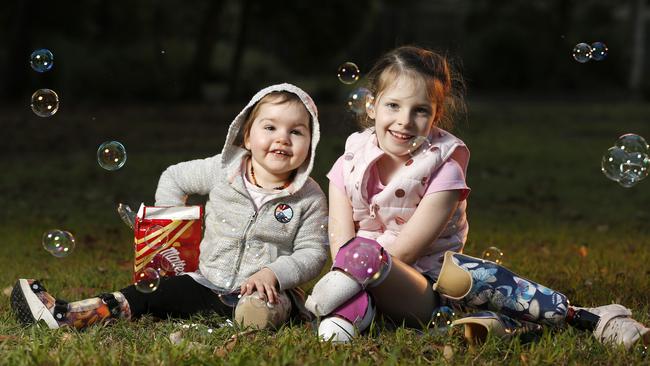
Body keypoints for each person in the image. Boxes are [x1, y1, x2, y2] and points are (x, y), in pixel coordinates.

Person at [305, 46, 650, 350]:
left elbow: (408, 250)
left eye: (420, 110)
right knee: (354, 260)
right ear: (372, 105)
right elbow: (341, 242)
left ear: (436, 115)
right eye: (393, 105)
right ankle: (491, 323)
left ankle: (579, 318)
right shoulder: (348, 162)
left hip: (424, 286)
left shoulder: (445, 168)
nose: (404, 121)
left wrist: (354, 271)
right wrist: (351, 272)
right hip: (356, 278)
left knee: (418, 266)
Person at [11, 83, 329, 331]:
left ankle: (252, 318)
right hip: (206, 281)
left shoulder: (309, 197)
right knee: (151, 291)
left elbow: (312, 253)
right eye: (270, 127)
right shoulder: (223, 172)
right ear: (246, 136)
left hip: (266, 291)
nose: (282, 138)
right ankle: (71, 314)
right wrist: (171, 235)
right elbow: (174, 178)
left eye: (296, 131)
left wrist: (274, 273)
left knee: (263, 309)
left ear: (310, 144)